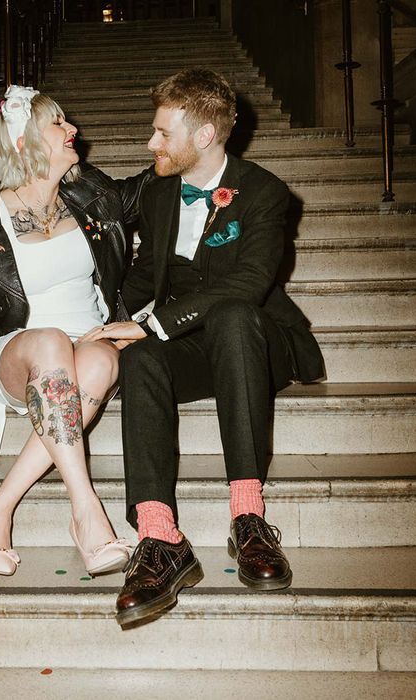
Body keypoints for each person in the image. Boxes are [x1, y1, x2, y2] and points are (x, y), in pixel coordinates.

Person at [79, 69, 325, 627]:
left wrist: (157, 323)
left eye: (163, 133)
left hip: (255, 345)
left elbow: (248, 284)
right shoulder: (163, 192)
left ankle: (248, 519)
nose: (151, 144)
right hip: (191, 347)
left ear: (205, 136)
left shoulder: (264, 192)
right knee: (138, 354)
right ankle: (161, 537)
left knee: (234, 316)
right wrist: (110, 325)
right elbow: (144, 277)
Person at [0, 85, 150, 577]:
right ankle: (87, 510)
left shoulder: (91, 195)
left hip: (84, 345)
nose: (73, 129)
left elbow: (149, 188)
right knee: (52, 341)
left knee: (100, 359)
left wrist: (181, 144)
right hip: (13, 353)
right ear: (23, 142)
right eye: (58, 123)